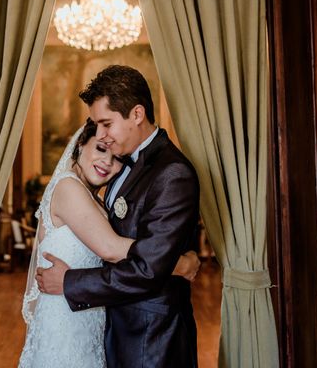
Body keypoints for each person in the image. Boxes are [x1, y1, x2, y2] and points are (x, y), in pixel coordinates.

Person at [36, 65, 200, 367]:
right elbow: (117, 249)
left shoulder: (171, 172)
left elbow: (147, 269)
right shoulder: (122, 167)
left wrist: (71, 282)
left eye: (106, 124)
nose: (103, 135)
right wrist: (178, 264)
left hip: (151, 338)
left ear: (137, 114)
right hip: (107, 326)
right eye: (96, 130)